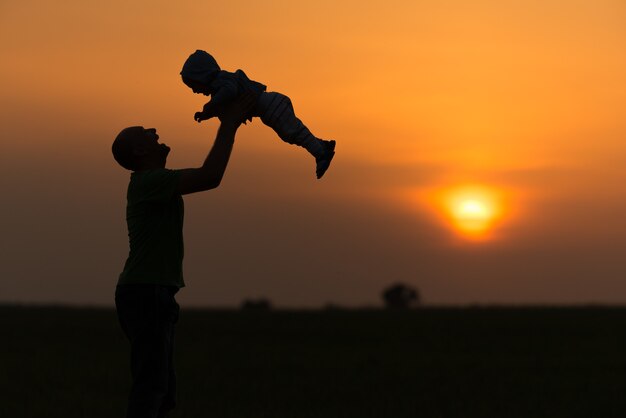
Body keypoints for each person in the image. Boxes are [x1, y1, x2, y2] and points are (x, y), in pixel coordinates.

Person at [112, 93, 256, 418]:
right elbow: (210, 176)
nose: (152, 129)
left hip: (151, 293)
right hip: (146, 293)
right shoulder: (150, 182)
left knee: (162, 391)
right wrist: (229, 124)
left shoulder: (157, 183)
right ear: (139, 151)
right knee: (151, 389)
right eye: (144, 131)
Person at [180, 49, 336, 179]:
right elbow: (223, 104)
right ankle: (323, 145)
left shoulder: (223, 80)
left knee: (293, 132)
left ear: (202, 75)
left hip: (271, 106)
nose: (195, 91)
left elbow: (230, 91)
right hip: (272, 105)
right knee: (290, 134)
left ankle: (320, 154)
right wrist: (207, 113)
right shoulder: (219, 89)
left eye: (194, 85)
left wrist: (210, 106)